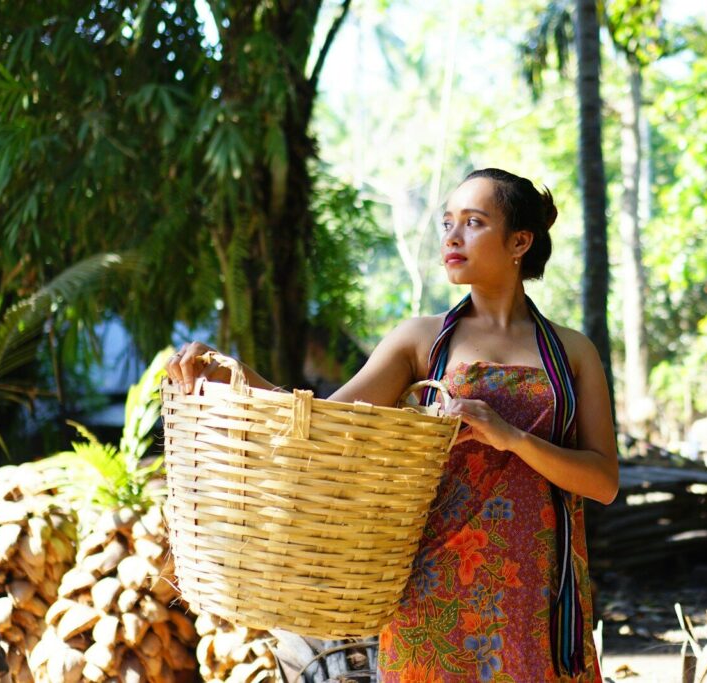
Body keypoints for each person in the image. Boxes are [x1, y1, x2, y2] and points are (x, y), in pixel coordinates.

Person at [166, 168, 618, 681]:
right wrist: (232, 374)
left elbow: (602, 482)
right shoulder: (420, 341)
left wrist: (512, 438)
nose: (451, 235)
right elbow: (321, 424)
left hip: (540, 597)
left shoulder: (572, 353)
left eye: (473, 222)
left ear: (520, 241)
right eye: (448, 222)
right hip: (432, 589)